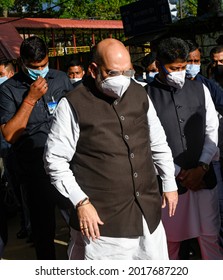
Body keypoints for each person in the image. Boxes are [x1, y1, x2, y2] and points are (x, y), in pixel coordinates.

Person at [44, 38, 178, 260]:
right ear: (94, 69)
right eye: (113, 73)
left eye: (128, 72)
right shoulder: (72, 104)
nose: (122, 80)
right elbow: (54, 161)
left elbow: (157, 142)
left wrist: (169, 182)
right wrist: (81, 202)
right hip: (103, 224)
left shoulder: (140, 93)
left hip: (147, 213)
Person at [148, 37, 223, 260]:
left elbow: (212, 130)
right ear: (159, 65)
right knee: (170, 243)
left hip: (204, 180)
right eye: (174, 68)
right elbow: (149, 143)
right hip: (170, 185)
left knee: (210, 238)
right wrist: (180, 173)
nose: (180, 72)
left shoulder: (201, 88)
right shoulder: (145, 96)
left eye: (183, 67)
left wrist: (202, 166)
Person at [0, 36, 74, 259]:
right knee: (44, 233)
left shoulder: (60, 79)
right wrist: (30, 99)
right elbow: (10, 134)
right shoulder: (8, 90)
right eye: (34, 67)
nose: (40, 71)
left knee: (79, 223)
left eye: (43, 65)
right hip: (35, 171)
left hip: (67, 166)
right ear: (22, 62)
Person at [186, 40, 223, 250]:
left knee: (215, 212)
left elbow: (213, 125)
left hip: (209, 160)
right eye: (188, 61)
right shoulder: (160, 92)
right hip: (179, 167)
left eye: (196, 61)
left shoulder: (206, 86)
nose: (192, 65)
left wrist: (203, 166)